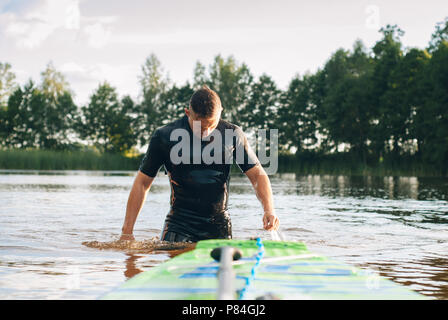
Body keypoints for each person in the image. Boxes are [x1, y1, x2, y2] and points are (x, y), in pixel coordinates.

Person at [120, 85, 279, 242]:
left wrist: (269, 209)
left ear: (220, 112)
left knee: (223, 267)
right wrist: (127, 232)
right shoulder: (164, 136)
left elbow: (258, 175)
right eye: (201, 127)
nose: (207, 133)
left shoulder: (232, 134)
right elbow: (142, 183)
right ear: (188, 113)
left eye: (212, 125)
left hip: (219, 225)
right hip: (179, 224)